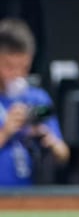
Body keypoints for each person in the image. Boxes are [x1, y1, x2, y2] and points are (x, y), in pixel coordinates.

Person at [0, 17, 70, 185]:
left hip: (29, 197)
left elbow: (63, 155)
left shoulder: (37, 98)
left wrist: (50, 141)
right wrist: (6, 131)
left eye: (24, 67)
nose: (17, 74)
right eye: (9, 66)